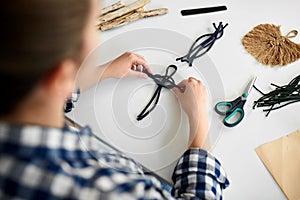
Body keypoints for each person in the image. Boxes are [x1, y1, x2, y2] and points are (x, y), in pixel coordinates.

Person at [0, 0, 229, 199]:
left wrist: (97, 74)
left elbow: (37, 94)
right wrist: (199, 124)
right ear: (60, 75)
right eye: (93, 27)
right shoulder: (103, 190)